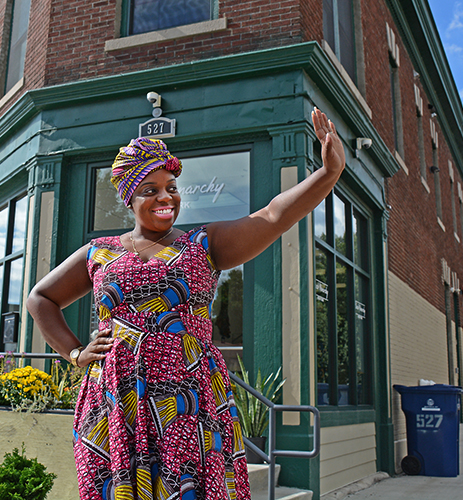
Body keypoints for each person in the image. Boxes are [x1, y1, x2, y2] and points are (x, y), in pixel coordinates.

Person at [27, 108, 345, 499]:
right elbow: (40, 298)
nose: (166, 197)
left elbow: (274, 215)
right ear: (129, 197)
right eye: (151, 189)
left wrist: (327, 174)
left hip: (189, 398)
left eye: (172, 187)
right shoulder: (99, 253)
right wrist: (75, 353)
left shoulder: (202, 245)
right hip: (116, 399)